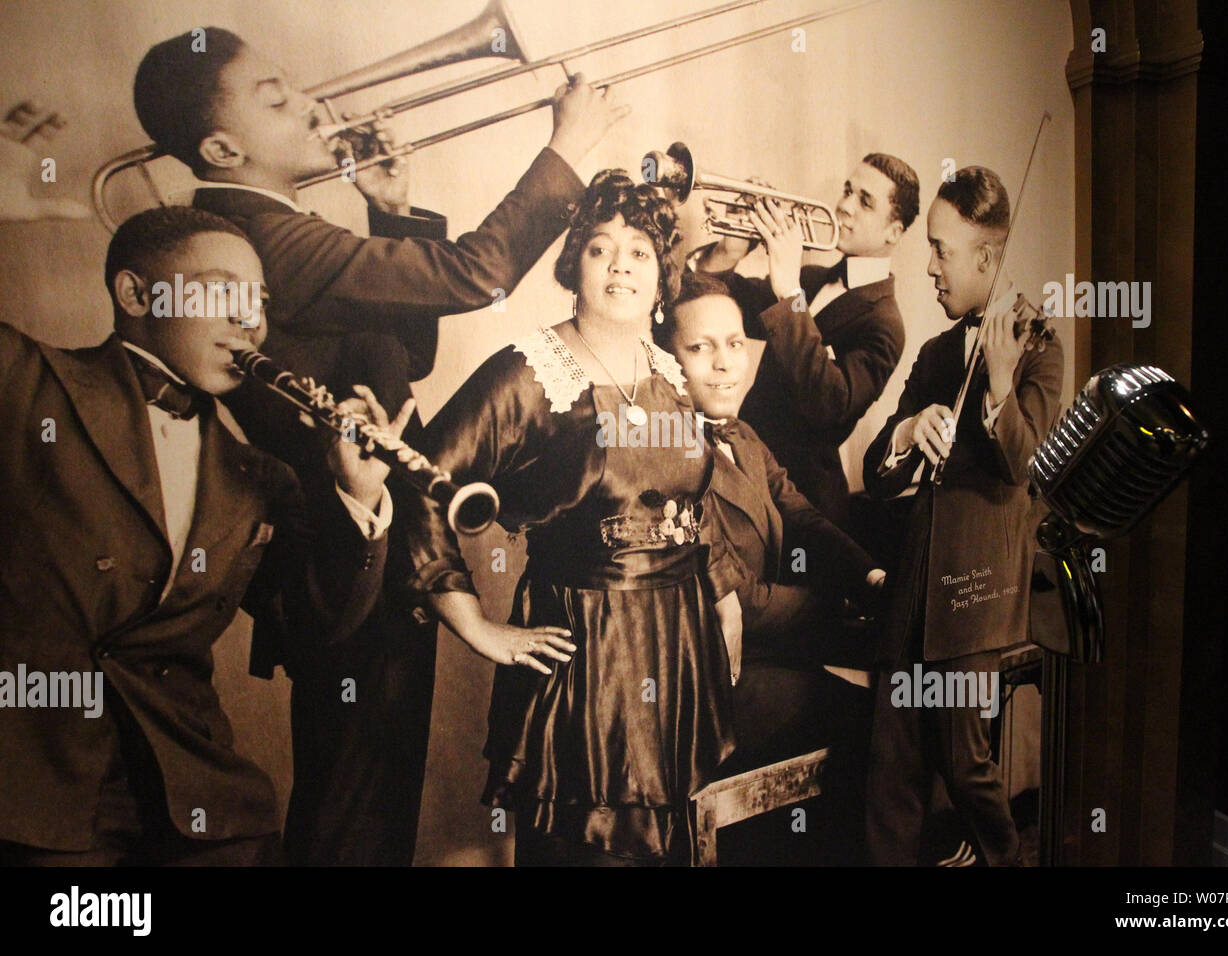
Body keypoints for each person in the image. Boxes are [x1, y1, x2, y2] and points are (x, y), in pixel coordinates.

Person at [131, 27, 627, 864]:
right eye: (275, 98)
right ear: (221, 146)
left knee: (370, 796)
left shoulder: (275, 226)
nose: (309, 103)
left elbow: (407, 361)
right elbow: (478, 274)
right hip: (343, 551)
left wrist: (392, 210)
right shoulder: (258, 238)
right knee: (354, 813)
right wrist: (568, 147)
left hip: (381, 538)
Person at [0, 206, 401, 865]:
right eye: (223, 290)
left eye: (261, 302)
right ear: (135, 295)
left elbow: (315, 634)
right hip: (29, 801)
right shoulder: (24, 380)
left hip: (200, 810)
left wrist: (358, 497)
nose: (252, 320)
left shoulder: (259, 475)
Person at [411, 171, 737, 866]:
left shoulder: (670, 372)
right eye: (599, 247)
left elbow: (692, 503)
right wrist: (473, 624)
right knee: (587, 850)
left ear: (662, 274)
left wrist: (723, 598)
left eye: (641, 250)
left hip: (676, 645)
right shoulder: (528, 374)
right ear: (573, 266)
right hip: (588, 659)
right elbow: (418, 482)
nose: (622, 263)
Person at [860, 166, 1063, 866]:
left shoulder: (1039, 342)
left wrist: (1000, 388)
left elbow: (1027, 467)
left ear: (988, 258)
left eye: (943, 250)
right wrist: (911, 429)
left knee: (967, 770)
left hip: (976, 597)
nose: (930, 266)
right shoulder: (937, 352)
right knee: (890, 773)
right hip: (913, 589)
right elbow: (874, 476)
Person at [654, 271, 886, 768]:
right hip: (710, 683)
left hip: (764, 656)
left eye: (735, 343)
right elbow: (742, 599)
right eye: (700, 348)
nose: (724, 364)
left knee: (900, 679)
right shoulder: (666, 452)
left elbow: (799, 513)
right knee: (882, 720)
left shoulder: (740, 434)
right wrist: (839, 604)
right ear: (667, 362)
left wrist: (868, 576)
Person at [693, 152, 919, 529]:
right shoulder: (812, 279)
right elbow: (719, 301)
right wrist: (729, 250)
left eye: (864, 201)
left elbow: (829, 406)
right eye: (848, 190)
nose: (844, 206)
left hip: (804, 501)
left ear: (892, 232)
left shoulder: (885, 323)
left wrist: (789, 295)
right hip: (745, 470)